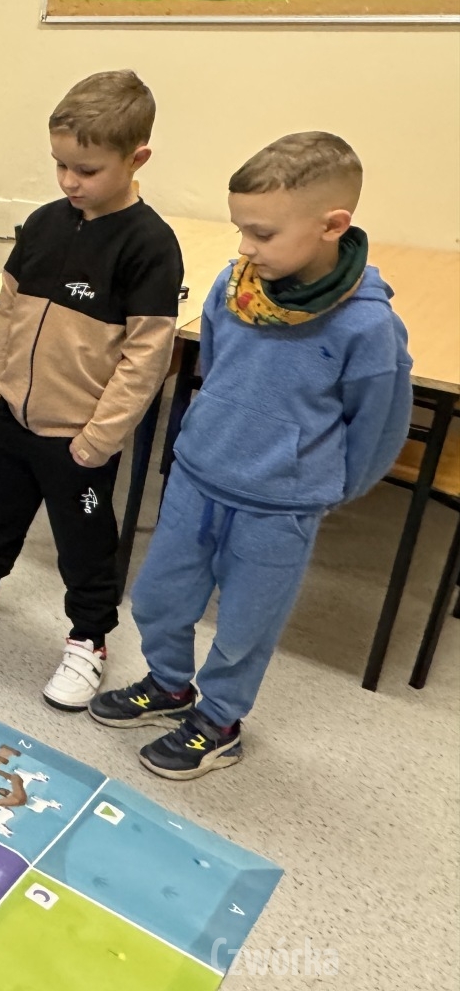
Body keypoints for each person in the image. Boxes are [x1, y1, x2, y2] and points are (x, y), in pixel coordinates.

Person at [91, 133, 411, 778]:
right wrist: (216, 432)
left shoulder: (368, 325)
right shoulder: (232, 288)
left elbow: (378, 429)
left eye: (262, 233)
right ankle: (169, 685)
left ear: (332, 226)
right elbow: (214, 365)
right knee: (158, 598)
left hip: (279, 505)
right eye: (241, 229)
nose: (245, 247)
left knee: (245, 626)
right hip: (199, 476)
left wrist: (322, 486)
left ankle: (219, 721)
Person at [0, 71, 183, 711]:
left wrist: (99, 439)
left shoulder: (149, 245)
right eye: (60, 165)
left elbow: (146, 357)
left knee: (84, 545)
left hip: (78, 435)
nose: (68, 181)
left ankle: (89, 639)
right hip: (9, 414)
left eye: (86, 170)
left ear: (136, 158)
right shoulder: (42, 225)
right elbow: (7, 313)